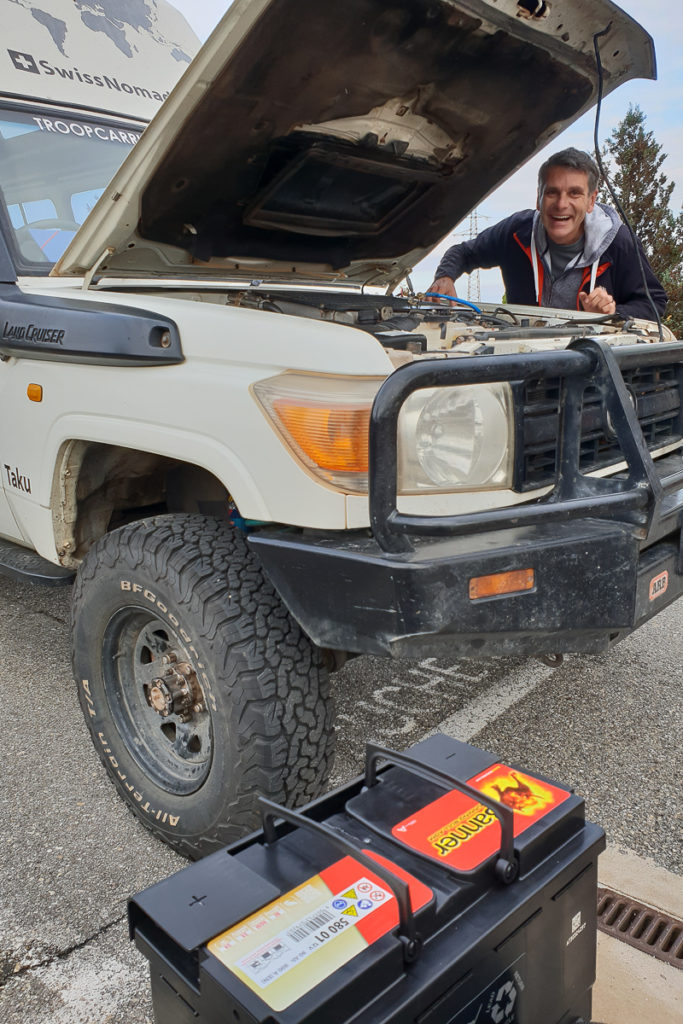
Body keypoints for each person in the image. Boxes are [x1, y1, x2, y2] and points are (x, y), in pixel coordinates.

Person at [428, 148, 667, 320]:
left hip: (594, 369)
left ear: (591, 200)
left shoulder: (618, 242)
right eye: (552, 192)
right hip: (526, 361)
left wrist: (612, 313)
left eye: (574, 193)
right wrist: (445, 276)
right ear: (539, 198)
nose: (561, 204)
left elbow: (654, 303)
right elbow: (464, 252)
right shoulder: (516, 232)